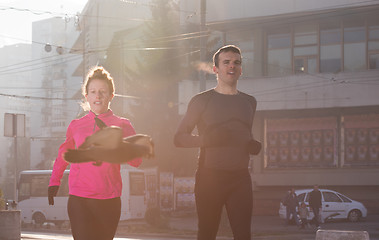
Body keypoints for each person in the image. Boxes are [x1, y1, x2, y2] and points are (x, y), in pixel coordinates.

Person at [174, 45, 261, 240]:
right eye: (226, 62)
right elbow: (179, 138)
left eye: (236, 63)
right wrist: (207, 140)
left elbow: (244, 135)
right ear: (215, 69)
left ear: (241, 69)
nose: (232, 66)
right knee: (207, 234)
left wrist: (252, 144)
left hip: (240, 179)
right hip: (209, 179)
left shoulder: (249, 102)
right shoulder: (201, 101)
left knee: (243, 235)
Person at [48, 66, 142, 240]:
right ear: (87, 96)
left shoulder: (123, 125)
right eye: (93, 92)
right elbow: (63, 154)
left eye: (102, 92)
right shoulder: (76, 125)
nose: (97, 96)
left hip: (109, 200)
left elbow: (136, 160)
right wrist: (54, 181)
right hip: (79, 200)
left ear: (111, 96)